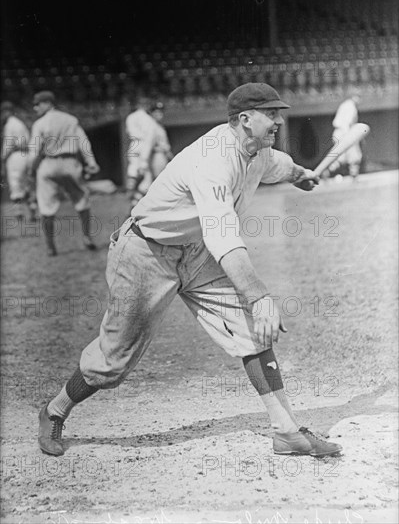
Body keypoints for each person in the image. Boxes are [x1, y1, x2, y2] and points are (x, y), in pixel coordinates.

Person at [38, 83, 342, 458]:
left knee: (252, 332)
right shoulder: (214, 159)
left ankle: (287, 432)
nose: (279, 120)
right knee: (111, 362)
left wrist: (300, 174)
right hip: (146, 252)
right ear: (244, 120)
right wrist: (260, 296)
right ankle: (54, 410)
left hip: (194, 252)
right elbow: (223, 234)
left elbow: (277, 164)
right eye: (272, 114)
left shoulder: (257, 149)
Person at [28, 91, 100, 256]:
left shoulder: (39, 123)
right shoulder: (70, 119)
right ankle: (87, 237)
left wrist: (31, 170)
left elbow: (33, 151)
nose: (35, 108)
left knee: (46, 207)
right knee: (82, 200)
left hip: (48, 164)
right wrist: (91, 162)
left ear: (47, 103)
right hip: (70, 163)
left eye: (38, 104)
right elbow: (84, 143)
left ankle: (50, 246)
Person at [125, 98, 173, 209]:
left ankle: (135, 204)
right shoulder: (151, 124)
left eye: (160, 112)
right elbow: (148, 144)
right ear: (151, 112)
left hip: (158, 155)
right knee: (157, 183)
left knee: (150, 184)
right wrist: (144, 161)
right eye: (156, 111)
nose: (159, 114)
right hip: (156, 155)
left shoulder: (157, 125)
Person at [1, 101, 37, 221]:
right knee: (27, 185)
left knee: (15, 185)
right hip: (26, 155)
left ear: (7, 111)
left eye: (3, 112)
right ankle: (33, 212)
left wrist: (3, 157)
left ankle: (19, 214)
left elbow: (8, 145)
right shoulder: (20, 123)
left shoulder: (9, 124)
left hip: (15, 156)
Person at [327, 92, 363, 180]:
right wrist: (349, 136)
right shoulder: (351, 107)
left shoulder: (345, 104)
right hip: (344, 133)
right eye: (357, 97)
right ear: (353, 96)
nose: (359, 99)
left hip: (339, 133)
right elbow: (347, 123)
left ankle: (327, 171)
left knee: (340, 158)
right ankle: (354, 177)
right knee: (354, 156)